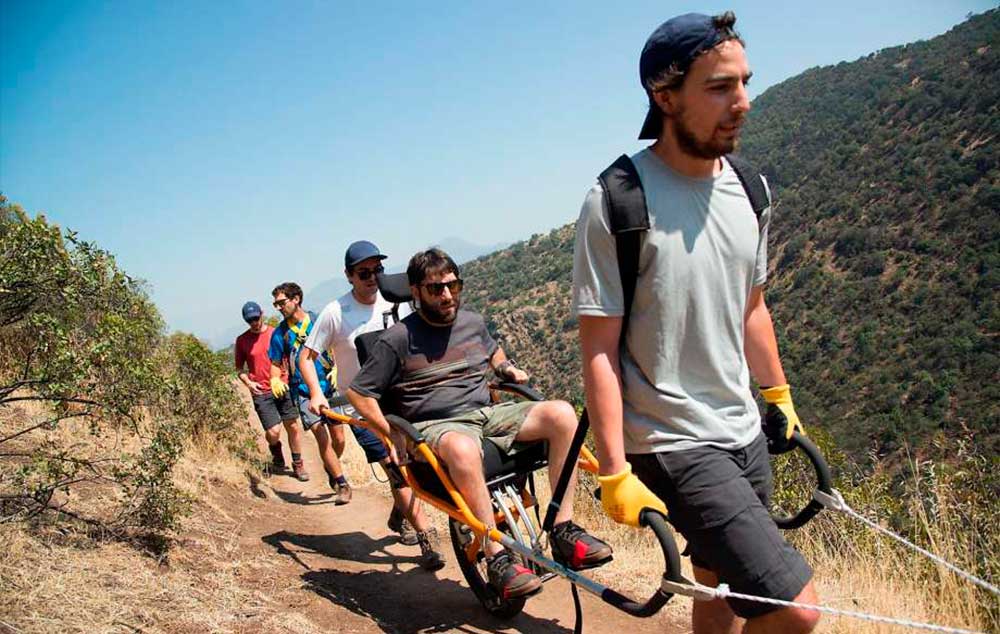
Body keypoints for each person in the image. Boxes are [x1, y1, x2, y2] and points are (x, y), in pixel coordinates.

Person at [572, 12, 819, 634]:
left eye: (745, 82)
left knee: (716, 584)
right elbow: (598, 349)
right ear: (665, 95)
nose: (743, 102)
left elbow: (751, 307)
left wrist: (778, 395)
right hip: (671, 441)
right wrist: (612, 470)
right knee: (797, 612)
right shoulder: (617, 199)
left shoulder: (749, 188)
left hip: (742, 431)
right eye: (719, 87)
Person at [348, 248, 612, 600]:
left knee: (562, 413)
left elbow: (493, 352)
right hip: (436, 425)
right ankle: (495, 556)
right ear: (416, 292)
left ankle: (562, 529)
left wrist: (505, 369)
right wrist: (390, 431)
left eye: (453, 287)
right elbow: (359, 393)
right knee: (462, 447)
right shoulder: (397, 339)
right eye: (436, 289)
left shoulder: (472, 322)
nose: (447, 296)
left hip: (487, 414)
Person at [299, 240, 437, 562]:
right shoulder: (336, 313)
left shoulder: (399, 304)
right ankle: (427, 536)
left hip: (401, 398)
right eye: (364, 272)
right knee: (394, 462)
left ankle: (400, 512)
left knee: (416, 461)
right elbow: (306, 358)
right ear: (349, 276)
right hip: (360, 403)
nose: (372, 277)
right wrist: (317, 393)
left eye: (378, 270)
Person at [268, 282, 351, 501]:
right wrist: (275, 378)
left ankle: (331, 468)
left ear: (296, 299)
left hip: (329, 387)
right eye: (275, 304)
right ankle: (342, 484)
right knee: (321, 436)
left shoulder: (318, 321)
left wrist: (337, 367)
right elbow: (276, 362)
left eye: (281, 302)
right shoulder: (280, 334)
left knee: (339, 438)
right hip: (303, 392)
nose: (278, 307)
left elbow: (339, 344)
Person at [234, 301, 305, 475]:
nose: (254, 322)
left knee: (293, 426)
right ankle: (277, 455)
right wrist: (249, 383)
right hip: (261, 392)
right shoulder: (242, 341)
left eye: (256, 318)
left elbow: (290, 357)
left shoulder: (276, 333)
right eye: (250, 320)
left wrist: (286, 379)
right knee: (273, 432)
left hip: (282, 386)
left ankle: (298, 464)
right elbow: (239, 369)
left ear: (262, 314)